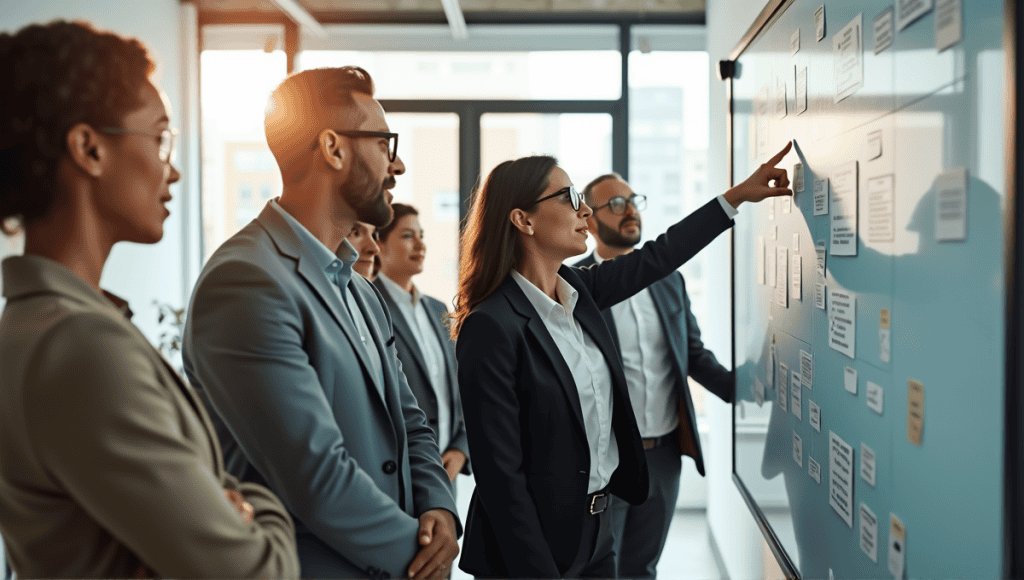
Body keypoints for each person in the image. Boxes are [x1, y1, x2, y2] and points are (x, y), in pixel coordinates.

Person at [0, 20, 299, 578]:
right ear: (90, 148)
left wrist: (221, 498)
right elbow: (257, 572)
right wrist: (265, 511)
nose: (174, 168)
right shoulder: (80, 347)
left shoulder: (38, 323)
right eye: (160, 138)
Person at [451, 144, 791, 579]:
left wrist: (737, 197)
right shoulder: (492, 324)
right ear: (523, 219)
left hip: (598, 527)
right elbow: (501, 476)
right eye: (569, 199)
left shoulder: (578, 291)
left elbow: (660, 255)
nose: (584, 214)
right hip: (536, 545)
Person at [183, 66, 460, 580]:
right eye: (383, 142)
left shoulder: (357, 284)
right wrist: (419, 561)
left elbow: (410, 420)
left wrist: (440, 511)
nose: (396, 164)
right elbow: (313, 474)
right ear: (333, 148)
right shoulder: (246, 281)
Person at [574, 173, 733, 579]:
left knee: (642, 568)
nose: (630, 210)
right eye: (615, 204)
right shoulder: (574, 289)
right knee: (599, 568)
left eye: (633, 200)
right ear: (589, 221)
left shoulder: (668, 281)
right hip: (606, 457)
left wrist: (743, 389)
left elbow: (692, 354)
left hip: (663, 456)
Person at [373, 203, 471, 487]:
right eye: (407, 236)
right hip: (397, 472)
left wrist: (461, 448)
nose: (420, 244)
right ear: (378, 243)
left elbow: (461, 383)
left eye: (421, 235)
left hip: (445, 473)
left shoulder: (438, 309)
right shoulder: (368, 306)